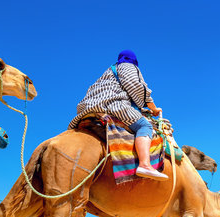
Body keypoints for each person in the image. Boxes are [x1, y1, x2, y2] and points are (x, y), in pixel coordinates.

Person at [69, 50, 167, 181]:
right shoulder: (128, 66)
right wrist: (153, 108)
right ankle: (145, 164)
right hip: (112, 106)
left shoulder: (107, 73)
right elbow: (136, 86)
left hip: (87, 109)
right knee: (145, 126)